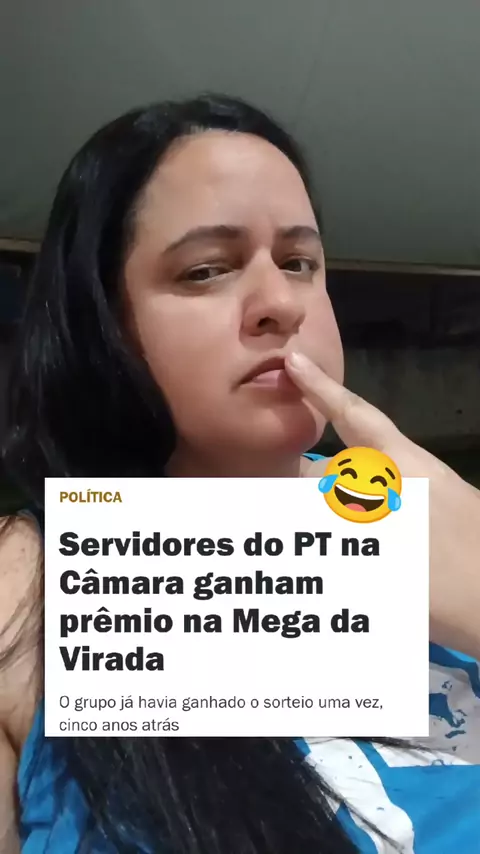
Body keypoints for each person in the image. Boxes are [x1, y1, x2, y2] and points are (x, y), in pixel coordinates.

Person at [0, 94, 478, 854]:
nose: (281, 303)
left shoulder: (442, 520)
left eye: (299, 262)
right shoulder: (28, 584)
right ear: (104, 324)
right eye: (207, 270)